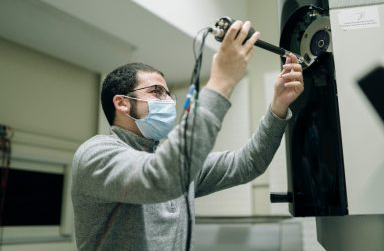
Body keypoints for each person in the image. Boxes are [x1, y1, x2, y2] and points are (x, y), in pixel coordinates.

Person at [71, 20, 304, 250]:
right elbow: (161, 178)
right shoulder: (95, 155)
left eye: (168, 94)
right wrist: (221, 81)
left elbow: (249, 163)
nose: (168, 102)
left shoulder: (177, 163)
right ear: (122, 103)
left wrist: (278, 107)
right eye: (156, 92)